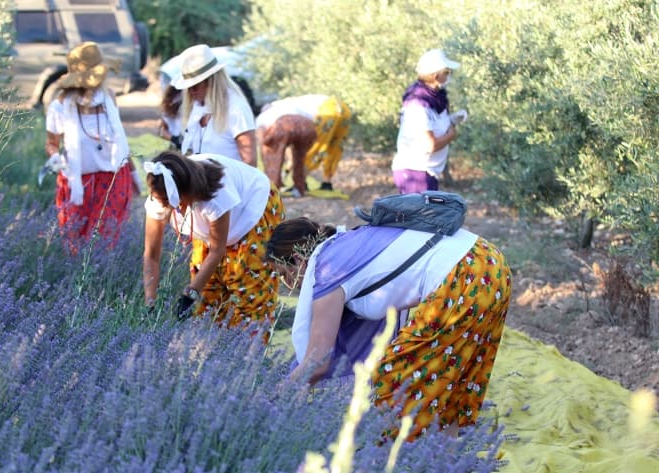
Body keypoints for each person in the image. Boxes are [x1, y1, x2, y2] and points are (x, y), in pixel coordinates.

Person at [265, 217, 511, 441]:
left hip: (463, 276)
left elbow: (318, 360)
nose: (288, 285)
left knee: (397, 380)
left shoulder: (327, 270)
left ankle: (400, 464)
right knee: (455, 371)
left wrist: (273, 399)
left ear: (298, 260)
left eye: (284, 274)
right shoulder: (348, 244)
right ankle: (446, 455)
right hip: (490, 263)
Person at [142, 151, 284, 330]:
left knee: (248, 292)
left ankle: (248, 351)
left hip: (252, 211)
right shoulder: (159, 195)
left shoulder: (216, 195)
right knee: (207, 300)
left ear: (187, 193)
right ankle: (211, 349)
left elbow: (217, 251)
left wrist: (189, 295)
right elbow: (151, 255)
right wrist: (150, 302)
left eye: (177, 205)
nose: (175, 211)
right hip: (209, 225)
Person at [45, 41, 138, 246]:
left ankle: (106, 279)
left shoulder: (109, 97)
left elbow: (119, 138)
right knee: (74, 243)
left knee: (103, 244)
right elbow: (52, 142)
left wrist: (133, 174)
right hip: (77, 182)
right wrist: (54, 157)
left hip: (113, 179)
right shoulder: (60, 106)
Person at [391, 49, 467, 194]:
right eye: (447, 72)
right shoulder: (418, 103)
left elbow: (433, 125)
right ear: (435, 75)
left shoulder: (437, 98)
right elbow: (430, 145)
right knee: (422, 216)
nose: (449, 75)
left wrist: (452, 120)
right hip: (416, 173)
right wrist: (451, 134)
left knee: (423, 216)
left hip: (426, 172)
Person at [173, 44, 257, 166]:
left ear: (211, 81)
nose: (191, 91)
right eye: (188, 87)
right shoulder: (197, 106)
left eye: (195, 85)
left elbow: (250, 162)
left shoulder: (236, 109)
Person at [256, 94, 351, 197]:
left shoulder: (264, 117)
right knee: (334, 146)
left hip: (326, 110)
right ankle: (326, 183)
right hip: (343, 108)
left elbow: (267, 145)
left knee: (313, 149)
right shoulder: (287, 103)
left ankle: (294, 185)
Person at [159, 84, 183, 150]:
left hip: (175, 141)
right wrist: (175, 139)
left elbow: (162, 130)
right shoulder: (181, 97)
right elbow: (163, 130)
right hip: (177, 142)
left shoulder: (169, 98)